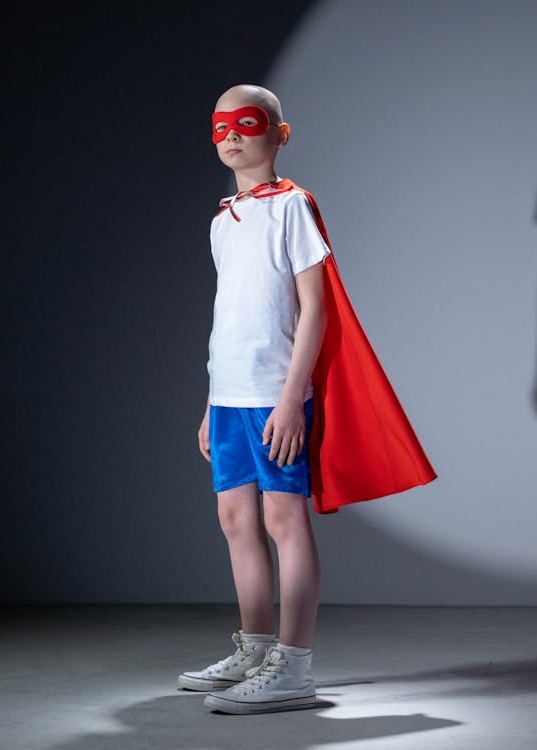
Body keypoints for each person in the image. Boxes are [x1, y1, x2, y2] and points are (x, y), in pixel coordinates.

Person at [177, 84, 435, 715]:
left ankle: (293, 665)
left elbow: (315, 307)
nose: (232, 135)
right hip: (232, 394)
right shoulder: (221, 221)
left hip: (274, 393)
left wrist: (293, 398)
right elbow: (229, 317)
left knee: (282, 521)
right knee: (235, 522)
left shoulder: (294, 207)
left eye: (247, 122)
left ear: (279, 133)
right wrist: (213, 400)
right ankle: (256, 646)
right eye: (220, 127)